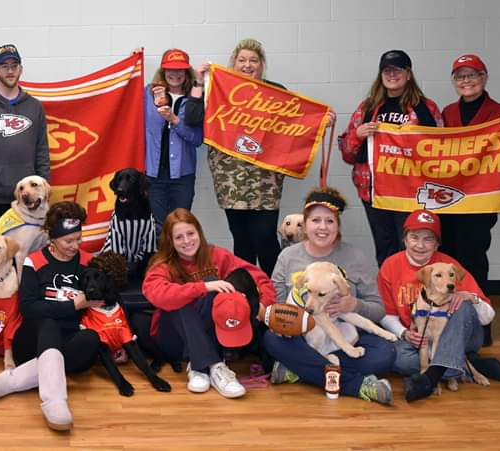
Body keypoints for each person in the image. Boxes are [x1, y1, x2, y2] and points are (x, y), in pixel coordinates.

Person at [202, 39, 335, 275]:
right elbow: (197, 116)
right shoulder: (220, 89)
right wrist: (200, 80)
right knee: (241, 238)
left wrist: (321, 120)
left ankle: (275, 290)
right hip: (230, 177)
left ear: (262, 64)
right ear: (233, 63)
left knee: (264, 236)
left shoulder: (276, 91)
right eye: (242, 60)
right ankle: (247, 293)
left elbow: (297, 122)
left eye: (253, 60)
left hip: (266, 179)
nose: (247, 65)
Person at [264, 186, 396, 405]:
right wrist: (284, 323)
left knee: (386, 353)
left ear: (338, 226)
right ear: (305, 225)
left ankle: (299, 370)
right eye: (316, 220)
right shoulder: (288, 256)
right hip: (301, 335)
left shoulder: (355, 257)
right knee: (271, 340)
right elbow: (275, 301)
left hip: (342, 336)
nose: (322, 227)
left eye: (330, 221)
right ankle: (359, 386)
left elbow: (378, 308)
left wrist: (354, 304)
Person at [0, 201, 101, 431]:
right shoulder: (33, 261)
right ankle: (54, 401)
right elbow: (29, 308)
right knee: (48, 323)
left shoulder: (88, 262)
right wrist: (73, 305)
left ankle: (15, 380)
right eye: (68, 240)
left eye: (79, 239)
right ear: (52, 239)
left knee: (92, 340)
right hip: (32, 339)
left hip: (69, 340)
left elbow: (99, 299)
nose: (75, 245)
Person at [142, 208, 276, 399]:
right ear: (170, 241)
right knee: (180, 299)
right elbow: (157, 295)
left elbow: (259, 278)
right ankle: (214, 366)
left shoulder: (217, 255)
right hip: (174, 341)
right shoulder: (162, 265)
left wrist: (262, 305)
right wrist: (203, 287)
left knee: (219, 291)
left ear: (199, 233)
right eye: (179, 237)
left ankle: (200, 368)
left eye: (190, 233)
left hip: (212, 336)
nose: (187, 241)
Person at [378, 209, 500, 402]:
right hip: (421, 340)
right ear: (404, 239)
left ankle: (431, 376)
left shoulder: (450, 267)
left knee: (462, 303)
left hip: (463, 336)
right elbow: (385, 314)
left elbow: (487, 316)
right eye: (414, 237)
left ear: (437, 244)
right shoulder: (390, 266)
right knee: (397, 359)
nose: (420, 245)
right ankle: (466, 364)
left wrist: (471, 297)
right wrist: (404, 334)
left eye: (428, 239)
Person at [439, 54, 500, 289]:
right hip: (449, 200)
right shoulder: (448, 112)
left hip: (480, 202)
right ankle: (449, 315)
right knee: (446, 257)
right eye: (460, 76)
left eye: (472, 75)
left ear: (484, 78)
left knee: (472, 259)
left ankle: (477, 315)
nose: (466, 80)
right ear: (454, 81)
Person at [340, 50, 443, 266]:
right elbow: (348, 154)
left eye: (398, 69)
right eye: (387, 70)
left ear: (408, 74)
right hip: (375, 192)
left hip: (412, 192)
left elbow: (441, 150)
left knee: (413, 247)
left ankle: (412, 296)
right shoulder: (367, 107)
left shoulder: (426, 108)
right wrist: (357, 136)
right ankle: (389, 295)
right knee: (385, 246)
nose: (392, 74)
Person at [0, 44, 50, 226]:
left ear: (21, 69)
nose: (10, 71)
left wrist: (44, 190)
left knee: (26, 252)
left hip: (29, 198)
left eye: (14, 65)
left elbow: (42, 150)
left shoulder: (35, 106)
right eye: (4, 66)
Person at [145, 49, 204, 229]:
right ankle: (162, 259)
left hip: (183, 177)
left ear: (187, 73)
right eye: (170, 70)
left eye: (180, 70)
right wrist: (132, 65)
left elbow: (197, 139)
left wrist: (175, 120)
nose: (175, 74)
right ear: (163, 71)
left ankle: (179, 258)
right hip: (153, 176)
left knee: (181, 226)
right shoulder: (147, 94)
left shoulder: (196, 98)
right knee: (158, 228)